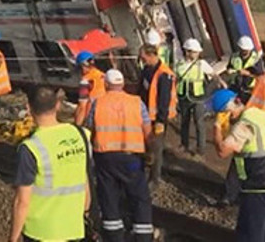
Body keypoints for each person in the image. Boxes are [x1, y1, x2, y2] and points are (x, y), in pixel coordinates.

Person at [211, 89, 265, 242]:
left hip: (261, 184)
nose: (226, 116)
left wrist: (217, 127)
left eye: (224, 112)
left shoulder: (244, 125)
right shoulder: (261, 114)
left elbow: (222, 151)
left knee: (250, 232)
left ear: (233, 105)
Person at [11, 86, 91, 242]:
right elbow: (86, 183)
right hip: (74, 228)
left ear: (29, 108)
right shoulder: (81, 135)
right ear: (58, 105)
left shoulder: (31, 148)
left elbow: (22, 201)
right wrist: (85, 215)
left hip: (41, 232)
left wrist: (13, 238)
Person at [85, 70, 154, 242]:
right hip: (132, 159)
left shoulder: (97, 103)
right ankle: (143, 235)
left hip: (106, 159)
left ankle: (114, 236)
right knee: (139, 196)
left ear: (106, 85)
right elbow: (148, 132)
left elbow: (90, 128)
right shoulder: (137, 103)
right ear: (122, 84)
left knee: (108, 196)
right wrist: (150, 153)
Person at [138, 44, 176, 186]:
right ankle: (146, 172)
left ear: (151, 55)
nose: (142, 61)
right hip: (145, 116)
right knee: (146, 145)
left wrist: (160, 120)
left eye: (143, 58)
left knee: (156, 147)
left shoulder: (164, 74)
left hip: (157, 119)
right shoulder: (146, 70)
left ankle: (155, 178)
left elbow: (164, 100)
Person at [174, 38, 217, 156]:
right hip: (184, 97)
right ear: (187, 52)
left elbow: (213, 75)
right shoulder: (179, 64)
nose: (197, 54)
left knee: (199, 122)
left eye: (197, 52)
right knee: (184, 121)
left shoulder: (202, 64)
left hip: (198, 97)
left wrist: (217, 85)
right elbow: (176, 79)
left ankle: (201, 148)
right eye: (194, 52)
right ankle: (184, 144)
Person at [227, 36, 265, 104]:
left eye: (247, 50)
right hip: (236, 88)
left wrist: (248, 73)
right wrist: (229, 71)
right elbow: (229, 67)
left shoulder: (256, 59)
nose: (245, 51)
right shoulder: (234, 57)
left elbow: (261, 75)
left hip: (250, 90)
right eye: (243, 49)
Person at [74, 51, 106, 126]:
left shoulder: (86, 81)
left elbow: (83, 106)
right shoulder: (103, 75)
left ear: (82, 65)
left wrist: (77, 126)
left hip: (93, 115)